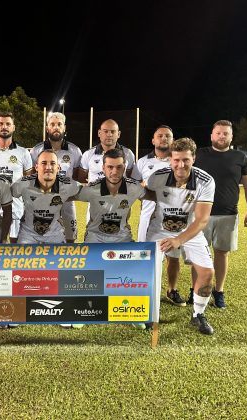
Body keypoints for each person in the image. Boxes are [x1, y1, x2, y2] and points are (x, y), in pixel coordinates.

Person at [145, 138, 216, 335]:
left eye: (186, 160)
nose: (181, 165)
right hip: (159, 230)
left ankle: (198, 314)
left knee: (207, 272)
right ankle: (147, 311)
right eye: (176, 160)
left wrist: (178, 240)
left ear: (194, 158)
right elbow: (147, 192)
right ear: (170, 159)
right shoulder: (157, 177)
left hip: (190, 230)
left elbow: (202, 220)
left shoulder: (205, 181)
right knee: (147, 269)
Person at [192, 120, 247, 309]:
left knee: (222, 253)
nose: (222, 136)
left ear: (231, 136)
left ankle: (218, 292)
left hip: (228, 215)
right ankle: (195, 290)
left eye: (225, 133)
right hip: (199, 214)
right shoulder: (199, 155)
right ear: (211, 135)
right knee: (198, 255)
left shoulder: (239, 157)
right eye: (218, 133)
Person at [132, 125, 185, 306]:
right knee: (145, 256)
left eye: (167, 136)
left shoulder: (178, 160)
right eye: (160, 136)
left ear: (173, 140)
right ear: (153, 140)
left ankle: (172, 290)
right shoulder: (142, 162)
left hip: (173, 217)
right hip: (148, 217)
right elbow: (134, 185)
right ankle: (145, 291)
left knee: (173, 256)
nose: (163, 138)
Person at [30, 112, 82, 243]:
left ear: (64, 127)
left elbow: (76, 176)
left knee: (70, 237)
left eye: (59, 124)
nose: (56, 127)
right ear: (47, 128)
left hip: (67, 201)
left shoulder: (75, 151)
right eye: (52, 124)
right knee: (42, 236)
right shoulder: (36, 151)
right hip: (43, 200)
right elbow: (32, 176)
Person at [74, 148, 145, 243]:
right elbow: (65, 195)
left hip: (123, 238)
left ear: (124, 167)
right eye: (110, 167)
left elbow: (157, 196)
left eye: (119, 167)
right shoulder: (91, 189)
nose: (114, 172)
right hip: (95, 238)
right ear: (103, 168)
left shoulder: (134, 188)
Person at [11, 149, 82, 244]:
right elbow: (3, 194)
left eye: (52, 163)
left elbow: (92, 193)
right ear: (36, 167)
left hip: (55, 236)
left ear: (58, 168)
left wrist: (66, 197)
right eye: (44, 163)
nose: (48, 167)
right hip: (28, 235)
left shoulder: (68, 185)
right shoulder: (23, 184)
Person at [0, 112, 33, 243]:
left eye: (8, 124)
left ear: (13, 127)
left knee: (15, 248)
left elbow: (28, 184)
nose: (4, 127)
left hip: (16, 209)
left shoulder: (23, 153)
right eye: (1, 123)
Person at [78, 119, 136, 183]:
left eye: (113, 131)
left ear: (118, 134)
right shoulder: (88, 154)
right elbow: (81, 179)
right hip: (95, 189)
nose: (109, 135)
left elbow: (131, 179)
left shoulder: (128, 154)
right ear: (99, 133)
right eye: (105, 131)